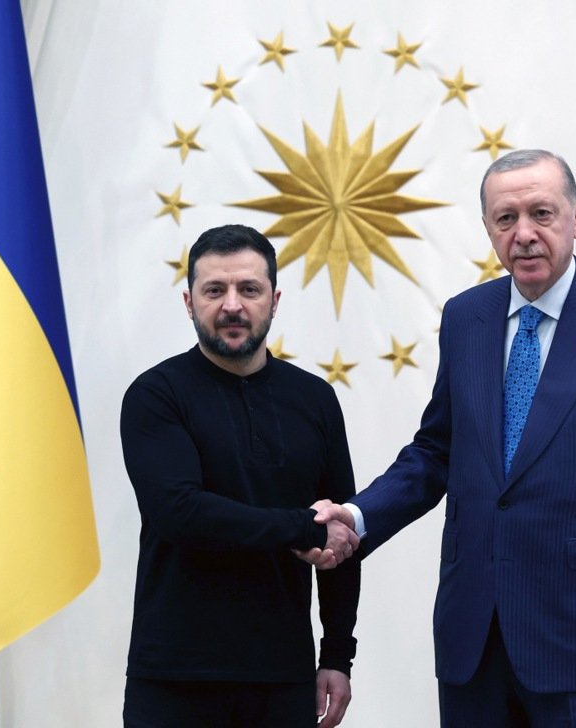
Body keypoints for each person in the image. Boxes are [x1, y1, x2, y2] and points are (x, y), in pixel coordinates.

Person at [310, 149, 576, 727]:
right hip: (476, 639)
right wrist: (359, 517)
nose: (525, 234)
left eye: (542, 213)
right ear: (488, 227)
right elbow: (437, 451)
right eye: (505, 219)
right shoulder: (468, 318)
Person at [120, 224, 361, 727]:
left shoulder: (314, 399)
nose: (232, 305)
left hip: (284, 679)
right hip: (174, 678)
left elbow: (341, 532)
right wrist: (303, 527)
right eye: (214, 290)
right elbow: (180, 513)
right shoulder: (155, 395)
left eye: (249, 290)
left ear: (274, 300)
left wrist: (337, 655)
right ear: (189, 302)